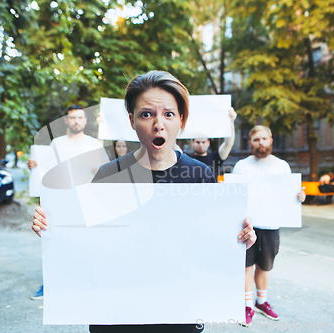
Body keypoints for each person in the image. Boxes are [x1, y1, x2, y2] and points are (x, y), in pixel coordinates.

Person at [32, 70, 257, 332]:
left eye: (169, 114)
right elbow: (87, 240)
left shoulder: (199, 175)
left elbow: (208, 241)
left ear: (181, 121)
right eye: (147, 114)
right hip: (118, 315)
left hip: (179, 313)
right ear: (132, 120)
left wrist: (238, 238)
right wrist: (52, 228)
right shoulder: (109, 174)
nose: (158, 124)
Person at [29, 105, 109, 300]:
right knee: (55, 240)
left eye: (80, 118)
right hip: (60, 200)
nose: (76, 121)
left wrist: (99, 170)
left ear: (85, 120)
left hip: (87, 201)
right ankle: (50, 284)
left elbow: (107, 172)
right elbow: (46, 168)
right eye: (72, 118)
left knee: (87, 242)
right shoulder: (56, 143)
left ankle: (86, 282)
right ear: (66, 120)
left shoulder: (94, 145)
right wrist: (34, 165)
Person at [232, 125, 306, 327]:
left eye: (264, 139)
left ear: (271, 141)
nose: (260, 143)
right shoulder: (241, 166)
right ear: (250, 143)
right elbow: (234, 197)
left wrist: (299, 196)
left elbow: (289, 196)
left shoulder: (282, 166)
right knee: (246, 266)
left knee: (264, 267)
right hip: (247, 226)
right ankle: (247, 305)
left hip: (271, 225)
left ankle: (261, 302)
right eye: (256, 139)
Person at [190, 107, 236, 181]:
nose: (201, 145)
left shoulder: (215, 158)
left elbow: (228, 144)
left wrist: (231, 121)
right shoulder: (186, 158)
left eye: (203, 142)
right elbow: (173, 146)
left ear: (208, 143)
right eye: (198, 142)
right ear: (192, 143)